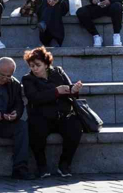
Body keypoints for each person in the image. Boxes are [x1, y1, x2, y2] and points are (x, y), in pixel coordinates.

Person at [22, 46, 84, 178]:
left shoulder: (58, 72)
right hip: (41, 116)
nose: (35, 68)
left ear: (46, 64)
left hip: (62, 114)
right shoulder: (28, 79)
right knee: (35, 130)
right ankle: (42, 166)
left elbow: (69, 90)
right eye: (32, 66)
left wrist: (75, 89)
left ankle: (64, 164)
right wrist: (56, 91)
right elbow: (35, 98)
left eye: (38, 65)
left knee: (75, 128)